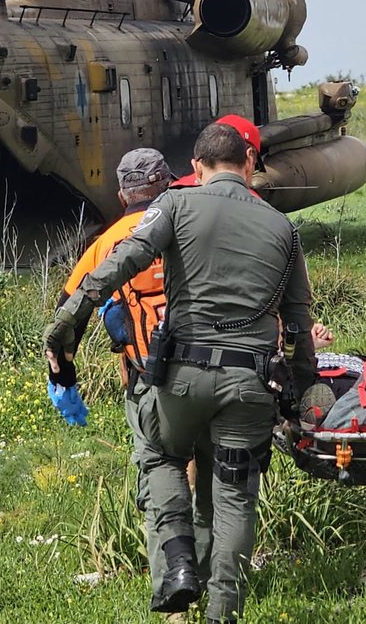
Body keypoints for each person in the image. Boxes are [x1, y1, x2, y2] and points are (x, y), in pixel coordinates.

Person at [48, 123, 316, 622]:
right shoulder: (283, 228)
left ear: (195, 168)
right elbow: (297, 323)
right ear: (250, 165)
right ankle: (223, 610)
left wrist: (69, 321)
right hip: (250, 383)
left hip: (182, 377)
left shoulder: (173, 205)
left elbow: (121, 261)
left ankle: (177, 567)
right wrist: (303, 392)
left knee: (160, 455)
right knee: (235, 496)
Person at [50, 147, 209, 600]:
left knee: (161, 471)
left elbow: (69, 314)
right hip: (210, 369)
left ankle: (174, 584)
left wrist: (63, 381)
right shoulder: (192, 223)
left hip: (148, 378)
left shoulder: (107, 241)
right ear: (166, 184)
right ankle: (213, 575)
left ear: (122, 195)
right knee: (210, 475)